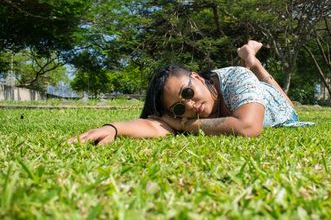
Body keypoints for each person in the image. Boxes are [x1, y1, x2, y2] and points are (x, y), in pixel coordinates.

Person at [69, 40, 312, 145]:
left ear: (196, 77)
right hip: (250, 94)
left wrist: (184, 125)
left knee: (281, 97)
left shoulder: (238, 77)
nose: (190, 106)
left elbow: (248, 128)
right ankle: (250, 56)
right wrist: (114, 128)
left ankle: (251, 58)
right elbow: (157, 125)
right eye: (178, 109)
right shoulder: (188, 111)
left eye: (187, 92)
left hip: (277, 105)